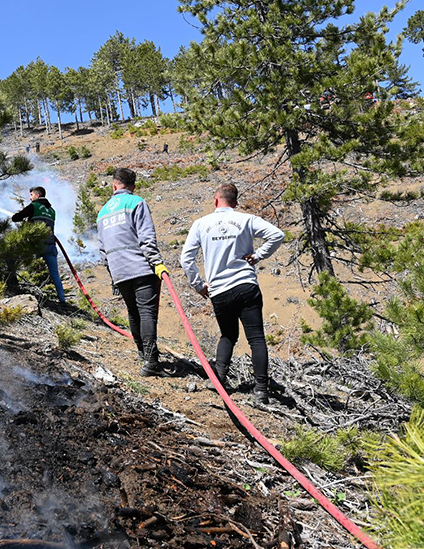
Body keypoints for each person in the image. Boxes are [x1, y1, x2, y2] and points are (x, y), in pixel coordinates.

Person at [180, 183, 284, 404]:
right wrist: (257, 256)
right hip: (246, 285)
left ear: (216, 200)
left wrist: (198, 285)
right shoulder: (247, 219)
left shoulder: (201, 224)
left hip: (219, 290)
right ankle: (261, 391)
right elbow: (277, 235)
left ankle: (218, 379)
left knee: (228, 334)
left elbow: (186, 259)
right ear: (235, 203)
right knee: (256, 338)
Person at [97, 168, 169, 376]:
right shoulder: (137, 202)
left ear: (114, 185)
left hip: (119, 271)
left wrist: (112, 273)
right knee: (146, 312)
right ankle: (152, 362)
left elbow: (102, 250)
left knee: (133, 312)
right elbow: (146, 237)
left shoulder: (103, 212)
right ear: (133, 186)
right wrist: (156, 263)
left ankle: (142, 354)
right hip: (140, 267)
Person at [11, 186, 66, 304]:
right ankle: (62, 300)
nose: (30, 198)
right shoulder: (52, 211)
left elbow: (16, 218)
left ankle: (15, 289)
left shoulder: (34, 206)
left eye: (31, 195)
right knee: (55, 274)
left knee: (17, 261)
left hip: (35, 246)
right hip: (50, 245)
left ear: (37, 195)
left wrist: (19, 218)